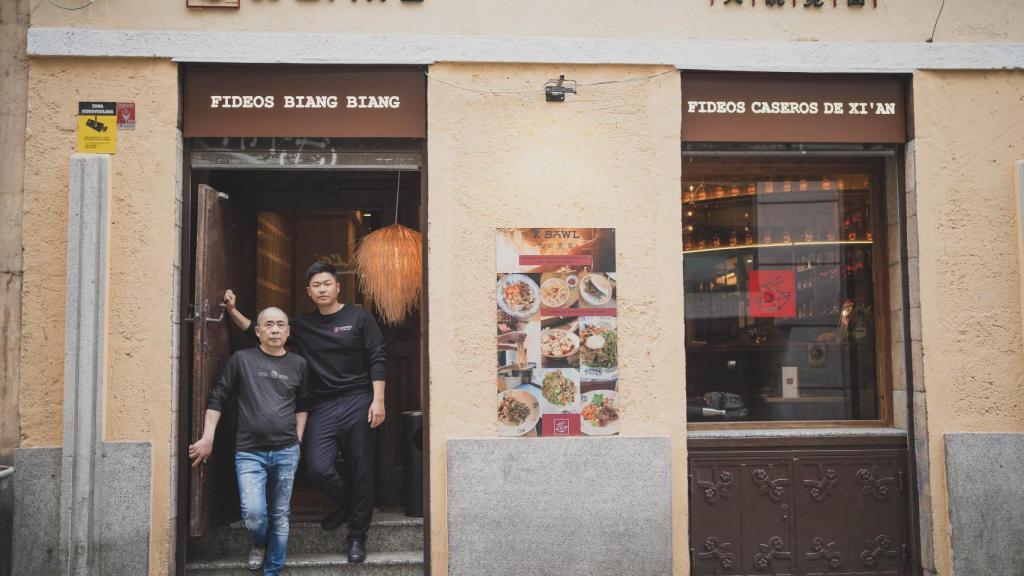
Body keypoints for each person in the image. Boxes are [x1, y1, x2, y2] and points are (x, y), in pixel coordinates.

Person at [224, 261, 387, 564]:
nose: (322, 289)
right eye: (316, 285)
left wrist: (378, 400)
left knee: (360, 468)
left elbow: (377, 356)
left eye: (327, 283)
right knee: (317, 466)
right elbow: (257, 331)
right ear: (308, 292)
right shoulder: (303, 325)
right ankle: (349, 505)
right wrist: (232, 310)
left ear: (337, 287)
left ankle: (356, 537)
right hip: (322, 403)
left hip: (358, 400)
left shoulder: (358, 317)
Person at [189, 307, 310, 576]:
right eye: (269, 325)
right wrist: (208, 437)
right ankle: (259, 542)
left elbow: (303, 404)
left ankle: (272, 570)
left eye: (281, 324)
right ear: (258, 331)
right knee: (254, 513)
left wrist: (298, 440)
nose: (275, 329)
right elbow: (218, 397)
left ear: (288, 331)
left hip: (286, 450)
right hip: (249, 452)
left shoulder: (299, 364)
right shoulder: (241, 360)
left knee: (280, 515)